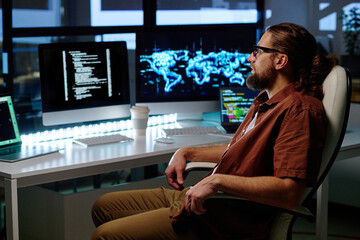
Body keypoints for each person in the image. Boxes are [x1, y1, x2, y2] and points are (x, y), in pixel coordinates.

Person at [91, 23, 336, 240]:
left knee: (105, 235)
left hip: (221, 220)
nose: (250, 58)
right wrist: (187, 151)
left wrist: (217, 181)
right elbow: (241, 151)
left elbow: (288, 192)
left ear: (280, 60)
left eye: (257, 51)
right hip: (205, 200)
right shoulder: (266, 101)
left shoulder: (300, 111)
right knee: (102, 206)